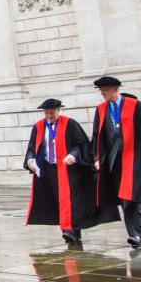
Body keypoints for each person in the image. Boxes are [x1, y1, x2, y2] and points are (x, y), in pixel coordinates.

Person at [87, 75, 141, 247]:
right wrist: (97, 157)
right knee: (123, 197)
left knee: (131, 197)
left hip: (135, 158)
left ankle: (135, 234)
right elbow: (97, 135)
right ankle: (136, 232)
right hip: (113, 162)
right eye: (101, 91)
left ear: (116, 90)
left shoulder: (134, 105)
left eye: (105, 91)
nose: (102, 94)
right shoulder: (101, 110)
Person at [24, 99, 99, 244]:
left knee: (72, 200)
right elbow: (32, 147)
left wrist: (73, 155)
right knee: (58, 199)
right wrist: (30, 160)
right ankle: (67, 230)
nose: (49, 116)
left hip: (69, 169)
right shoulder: (39, 126)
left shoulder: (70, 124)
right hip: (49, 169)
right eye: (47, 113)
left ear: (59, 110)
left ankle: (72, 231)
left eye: (52, 113)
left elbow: (82, 144)